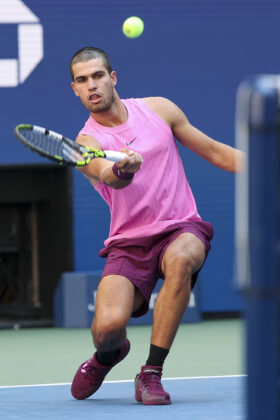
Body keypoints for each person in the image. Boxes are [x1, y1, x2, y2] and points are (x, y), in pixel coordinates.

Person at [69, 46, 244, 405]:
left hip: (182, 227)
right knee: (106, 329)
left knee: (181, 259)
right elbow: (109, 176)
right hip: (129, 241)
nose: (92, 85)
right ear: (75, 88)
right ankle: (107, 356)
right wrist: (121, 169)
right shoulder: (83, 145)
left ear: (113, 77)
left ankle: (151, 372)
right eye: (82, 80)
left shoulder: (159, 109)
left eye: (98, 75)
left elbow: (214, 151)